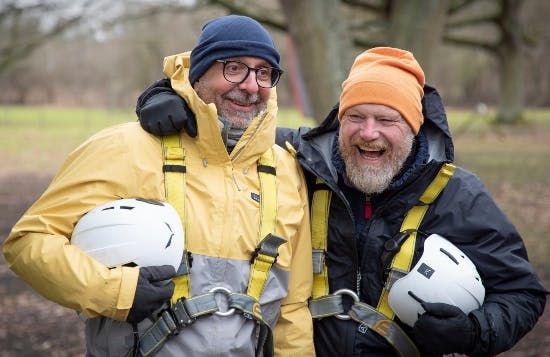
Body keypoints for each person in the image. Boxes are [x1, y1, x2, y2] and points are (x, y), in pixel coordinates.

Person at [136, 46, 547, 356]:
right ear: (339, 119)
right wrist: (165, 98)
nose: (368, 133)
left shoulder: (458, 195)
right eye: (356, 117)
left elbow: (522, 294)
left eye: (387, 120)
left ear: (414, 127)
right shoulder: (296, 161)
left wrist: (473, 331)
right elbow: (229, 120)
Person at [3, 15, 314, 357]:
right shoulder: (126, 147)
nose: (252, 85)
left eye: (264, 72)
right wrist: (115, 293)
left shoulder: (286, 170)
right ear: (199, 75)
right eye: (234, 68)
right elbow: (28, 243)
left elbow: (292, 310)